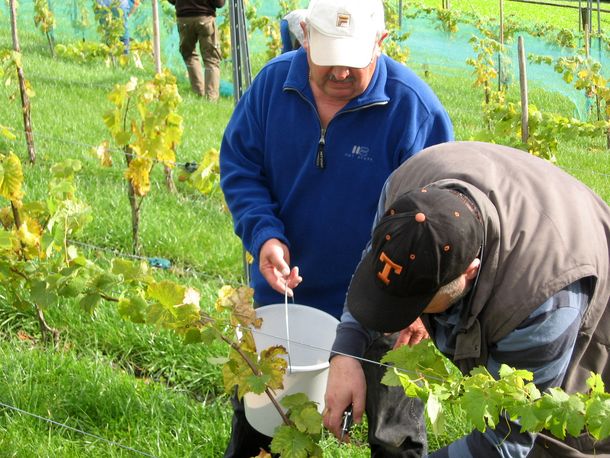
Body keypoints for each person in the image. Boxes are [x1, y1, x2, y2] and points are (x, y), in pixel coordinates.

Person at [219, 0, 453, 455]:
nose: (341, 73)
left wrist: (423, 302)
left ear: (381, 44)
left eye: (354, 60)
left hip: (387, 309)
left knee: (395, 439)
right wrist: (263, 234)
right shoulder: (272, 87)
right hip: (286, 302)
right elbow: (240, 166)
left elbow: (443, 217)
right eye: (329, 58)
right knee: (263, 430)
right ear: (306, 37)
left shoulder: (414, 109)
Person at [328, 141, 610, 457]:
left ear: (470, 272)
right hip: (526, 221)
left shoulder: (541, 301)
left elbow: (503, 443)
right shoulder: (406, 192)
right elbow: (380, 267)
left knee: (561, 441)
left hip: (592, 323)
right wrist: (346, 352)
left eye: (419, 304)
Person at [167, 0, 225, 101]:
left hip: (184, 18)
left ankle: (198, 92)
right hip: (205, 17)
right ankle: (211, 98)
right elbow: (219, 3)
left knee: (189, 55)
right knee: (211, 59)